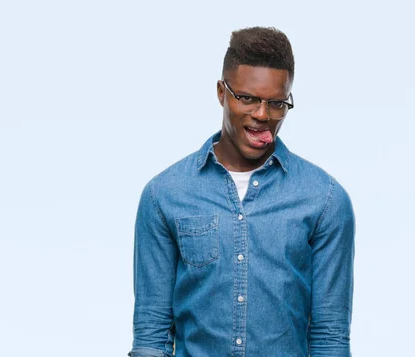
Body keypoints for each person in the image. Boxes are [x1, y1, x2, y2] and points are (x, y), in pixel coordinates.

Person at [129, 27, 355, 357]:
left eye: (276, 103)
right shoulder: (163, 195)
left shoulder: (325, 199)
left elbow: (329, 335)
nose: (262, 115)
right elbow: (152, 331)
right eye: (247, 98)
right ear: (222, 92)